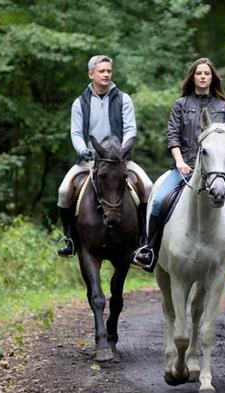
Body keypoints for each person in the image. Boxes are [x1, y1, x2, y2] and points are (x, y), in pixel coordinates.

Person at [132, 57, 225, 273]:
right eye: (199, 73)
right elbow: (172, 136)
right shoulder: (180, 105)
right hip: (184, 169)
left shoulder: (223, 107)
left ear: (212, 78)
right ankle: (150, 249)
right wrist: (180, 161)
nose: (203, 77)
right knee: (157, 203)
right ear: (193, 77)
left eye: (207, 73)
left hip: (217, 171)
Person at [57, 55, 152, 257]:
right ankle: (70, 239)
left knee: (149, 187)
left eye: (109, 71)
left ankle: (144, 242)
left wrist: (123, 151)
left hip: (119, 160)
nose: (106, 74)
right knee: (64, 191)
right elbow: (75, 132)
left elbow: (131, 130)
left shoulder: (124, 99)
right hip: (89, 160)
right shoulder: (79, 103)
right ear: (91, 74)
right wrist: (83, 150)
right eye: (102, 71)